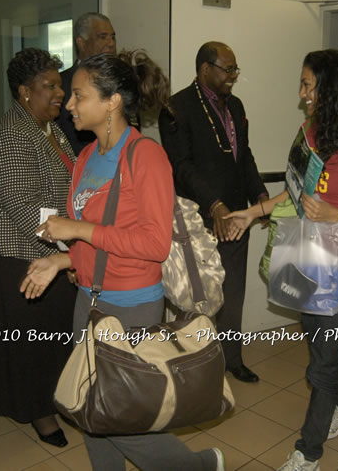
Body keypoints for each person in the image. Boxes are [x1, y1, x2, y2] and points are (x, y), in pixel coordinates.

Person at [20, 51, 224, 471]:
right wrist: (60, 264)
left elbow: (154, 244)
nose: (70, 104)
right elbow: (94, 237)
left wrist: (76, 231)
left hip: (131, 303)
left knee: (123, 416)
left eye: (79, 95)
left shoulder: (144, 156)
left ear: (112, 101)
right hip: (88, 299)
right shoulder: (86, 157)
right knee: (93, 411)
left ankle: (200, 466)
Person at [225, 50, 338, 471]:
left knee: (321, 359)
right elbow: (296, 192)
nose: (301, 94)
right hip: (305, 251)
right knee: (321, 343)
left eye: (307, 85)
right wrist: (253, 211)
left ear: (330, 90)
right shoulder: (310, 131)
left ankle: (308, 451)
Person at [0, 48, 77, 448]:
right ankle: (38, 412)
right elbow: (26, 208)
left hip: (46, 249)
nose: (59, 94)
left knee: (49, 335)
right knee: (29, 341)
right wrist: (74, 247)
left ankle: (50, 397)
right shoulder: (14, 134)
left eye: (60, 86)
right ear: (24, 91)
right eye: (48, 86)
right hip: (11, 254)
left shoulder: (50, 128)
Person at [158, 41, 269, 383]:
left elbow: (243, 155)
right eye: (228, 69)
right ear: (205, 69)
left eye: (235, 69)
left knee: (233, 291)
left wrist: (260, 195)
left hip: (235, 215)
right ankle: (193, 363)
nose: (234, 76)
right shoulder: (176, 107)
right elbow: (181, 166)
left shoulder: (234, 105)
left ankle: (231, 359)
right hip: (197, 217)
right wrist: (213, 204)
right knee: (195, 294)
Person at [57, 12, 117, 154]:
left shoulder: (120, 81)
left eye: (113, 37)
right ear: (81, 43)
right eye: (102, 37)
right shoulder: (61, 84)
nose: (111, 43)